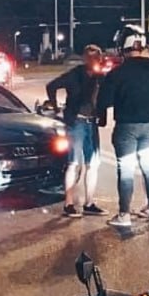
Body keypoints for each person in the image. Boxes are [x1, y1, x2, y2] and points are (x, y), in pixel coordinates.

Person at [96, 37, 149, 227]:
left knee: (126, 170)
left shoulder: (117, 73)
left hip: (126, 127)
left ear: (125, 51)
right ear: (145, 49)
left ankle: (124, 215)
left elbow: (104, 100)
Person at [46, 44, 107, 217]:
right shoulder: (75, 74)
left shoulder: (100, 77)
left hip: (92, 123)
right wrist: (56, 106)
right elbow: (52, 86)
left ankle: (89, 203)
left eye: (97, 58)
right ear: (85, 58)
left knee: (92, 164)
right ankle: (69, 204)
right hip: (77, 122)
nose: (94, 61)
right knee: (73, 163)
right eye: (90, 57)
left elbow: (106, 97)